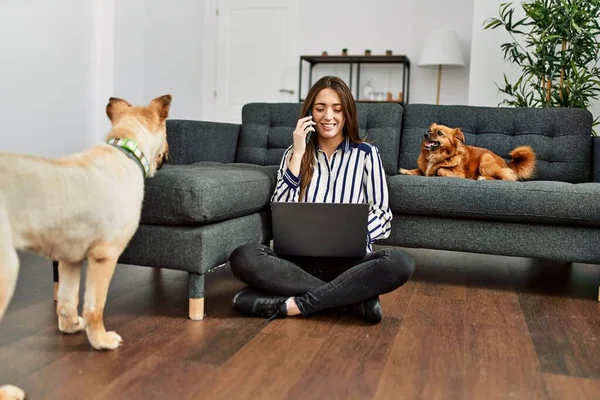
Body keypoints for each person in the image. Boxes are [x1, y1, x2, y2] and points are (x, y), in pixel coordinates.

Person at [229, 76, 414, 323]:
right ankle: (351, 301)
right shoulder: (293, 154)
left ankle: (294, 304)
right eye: (320, 108)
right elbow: (281, 209)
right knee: (243, 256)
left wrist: (358, 234)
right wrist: (297, 152)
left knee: (400, 262)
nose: (328, 116)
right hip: (296, 263)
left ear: (347, 113)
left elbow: (382, 213)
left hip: (348, 264)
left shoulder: (367, 154)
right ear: (309, 114)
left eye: (337, 109)